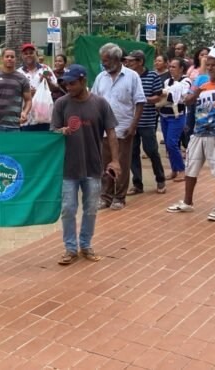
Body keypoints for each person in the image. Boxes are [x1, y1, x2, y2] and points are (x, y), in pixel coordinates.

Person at [51, 65, 120, 265]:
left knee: (90, 208)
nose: (68, 87)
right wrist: (60, 131)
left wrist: (115, 160)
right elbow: (52, 131)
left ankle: (86, 244)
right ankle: (70, 248)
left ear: (83, 81)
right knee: (68, 209)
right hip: (67, 167)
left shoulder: (100, 103)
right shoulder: (61, 104)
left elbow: (111, 133)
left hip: (93, 166)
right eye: (66, 83)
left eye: (72, 83)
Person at [166, 48, 215, 221]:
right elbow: (187, 101)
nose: (210, 68)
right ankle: (187, 202)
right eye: (208, 65)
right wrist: (196, 92)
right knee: (191, 165)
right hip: (198, 132)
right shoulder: (199, 80)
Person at [91, 43, 146, 211]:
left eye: (106, 60)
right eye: (102, 60)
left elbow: (139, 102)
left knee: (121, 163)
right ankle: (105, 196)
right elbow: (93, 100)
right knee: (104, 164)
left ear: (116, 59)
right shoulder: (101, 77)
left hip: (123, 128)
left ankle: (119, 197)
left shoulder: (132, 76)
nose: (103, 64)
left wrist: (133, 126)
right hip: (103, 130)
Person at [123, 50, 166, 196]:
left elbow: (158, 97)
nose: (128, 63)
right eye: (127, 61)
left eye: (131, 61)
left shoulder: (153, 76)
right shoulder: (127, 76)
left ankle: (160, 179)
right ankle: (137, 184)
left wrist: (141, 99)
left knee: (151, 150)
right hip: (130, 122)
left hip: (147, 121)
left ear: (140, 62)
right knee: (132, 153)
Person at [0, 48, 32, 132]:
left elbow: (28, 100)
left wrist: (25, 112)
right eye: (7, 56)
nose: (9, 58)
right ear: (2, 59)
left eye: (12, 57)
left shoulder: (22, 79)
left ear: (16, 59)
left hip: (14, 125)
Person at [160, 58, 192, 183]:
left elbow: (180, 98)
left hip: (177, 117)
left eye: (174, 67)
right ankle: (174, 169)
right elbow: (166, 96)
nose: (171, 69)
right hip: (164, 115)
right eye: (170, 67)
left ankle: (182, 169)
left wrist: (165, 95)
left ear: (181, 69)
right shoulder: (167, 81)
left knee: (172, 143)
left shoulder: (186, 81)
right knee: (169, 145)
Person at [18, 43, 58, 131]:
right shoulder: (18, 73)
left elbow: (55, 87)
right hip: (26, 118)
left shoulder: (45, 69)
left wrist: (48, 80)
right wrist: (26, 94)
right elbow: (14, 93)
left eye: (31, 53)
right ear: (22, 56)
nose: (28, 55)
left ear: (36, 54)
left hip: (44, 116)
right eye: (26, 53)